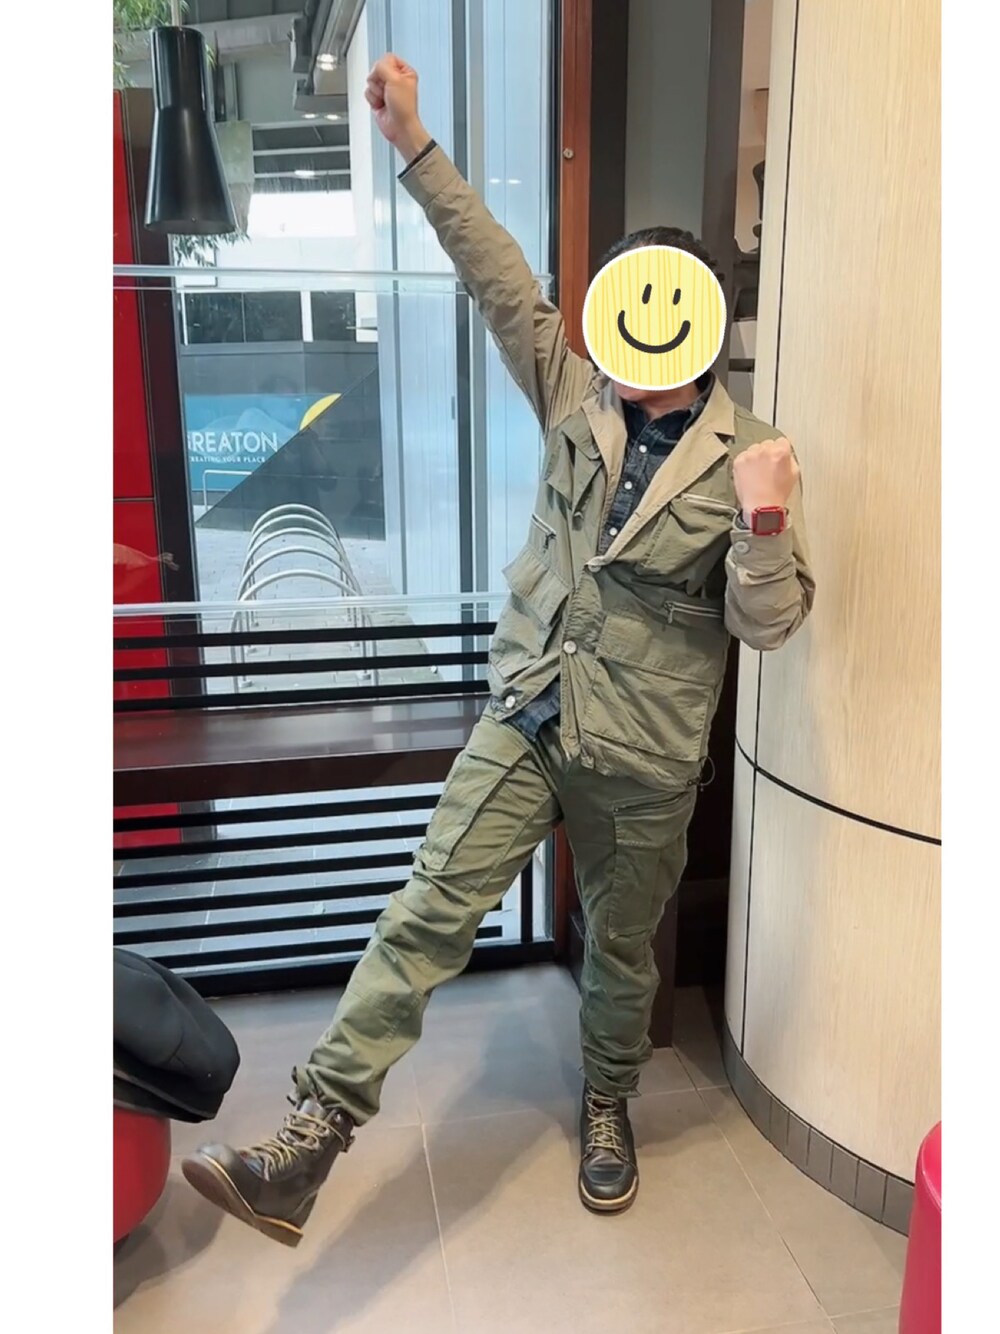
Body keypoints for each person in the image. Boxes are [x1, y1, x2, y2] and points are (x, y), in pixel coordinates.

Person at [182, 53, 815, 1247]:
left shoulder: (755, 454)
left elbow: (767, 623)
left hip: (644, 756)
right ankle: (309, 1136)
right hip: (529, 709)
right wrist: (414, 144)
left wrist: (765, 521)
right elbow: (495, 274)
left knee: (619, 947)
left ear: (699, 323)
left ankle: (609, 1100)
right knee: (429, 905)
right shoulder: (574, 393)